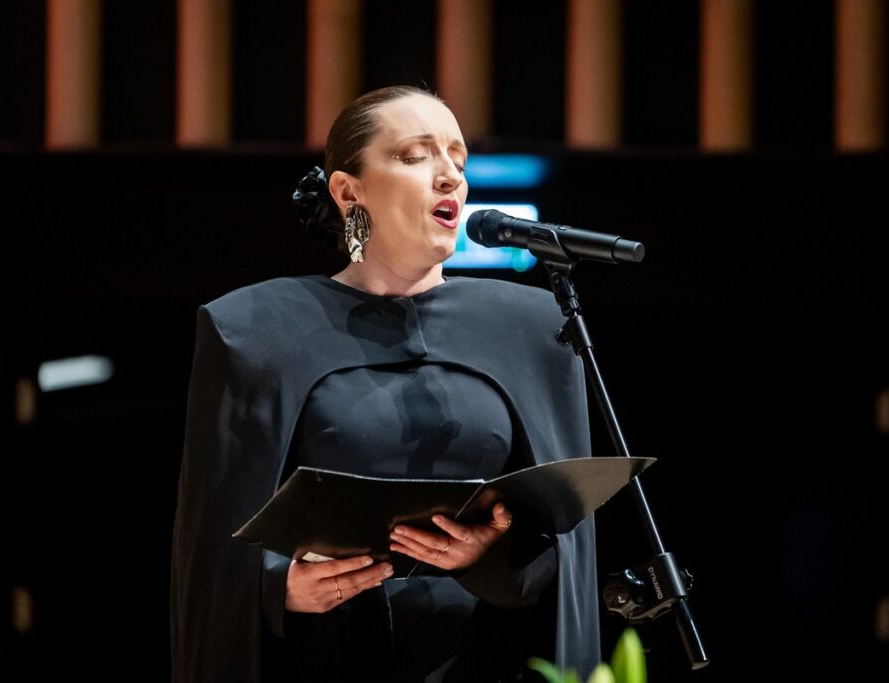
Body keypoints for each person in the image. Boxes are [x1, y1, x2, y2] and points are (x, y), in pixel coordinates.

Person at [169, 85, 600, 682]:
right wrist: (280, 587)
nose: (448, 175)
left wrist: (492, 553)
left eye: (457, 157)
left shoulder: (531, 328)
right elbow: (211, 549)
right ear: (349, 191)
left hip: (483, 660)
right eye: (415, 155)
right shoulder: (255, 328)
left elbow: (568, 550)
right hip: (326, 657)